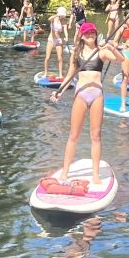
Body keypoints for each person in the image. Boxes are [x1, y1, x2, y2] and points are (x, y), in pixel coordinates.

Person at [50, 22, 123, 185]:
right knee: (73, 135)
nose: (90, 35)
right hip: (81, 94)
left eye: (93, 33)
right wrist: (60, 91)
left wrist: (111, 46)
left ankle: (96, 174)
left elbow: (121, 59)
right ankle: (65, 171)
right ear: (82, 36)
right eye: (87, 33)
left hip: (97, 95)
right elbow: (70, 75)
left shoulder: (102, 51)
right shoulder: (76, 53)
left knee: (96, 136)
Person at [44, 7, 70, 78]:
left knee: (60, 58)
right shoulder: (54, 19)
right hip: (51, 39)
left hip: (58, 40)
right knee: (47, 57)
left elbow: (65, 31)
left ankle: (60, 74)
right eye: (61, 15)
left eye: (63, 15)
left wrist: (67, 37)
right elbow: (49, 19)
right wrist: (57, 15)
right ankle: (45, 73)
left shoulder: (64, 21)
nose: (62, 16)